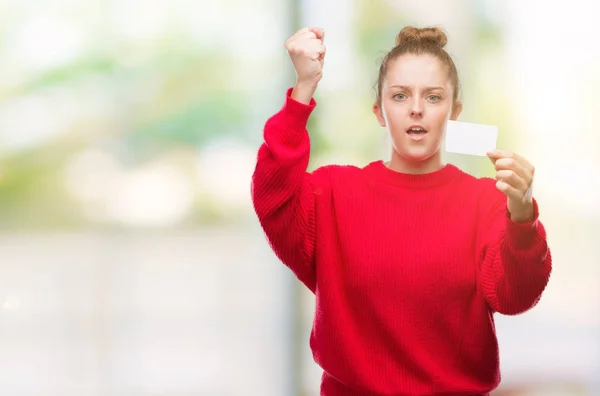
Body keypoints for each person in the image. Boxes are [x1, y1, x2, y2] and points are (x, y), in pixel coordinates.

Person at [251, 25, 552, 396]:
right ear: (379, 112)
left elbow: (515, 297)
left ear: (453, 112)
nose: (416, 109)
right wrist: (302, 90)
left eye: (434, 97)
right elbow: (272, 198)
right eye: (399, 95)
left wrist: (522, 216)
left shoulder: (488, 202)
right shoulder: (331, 194)